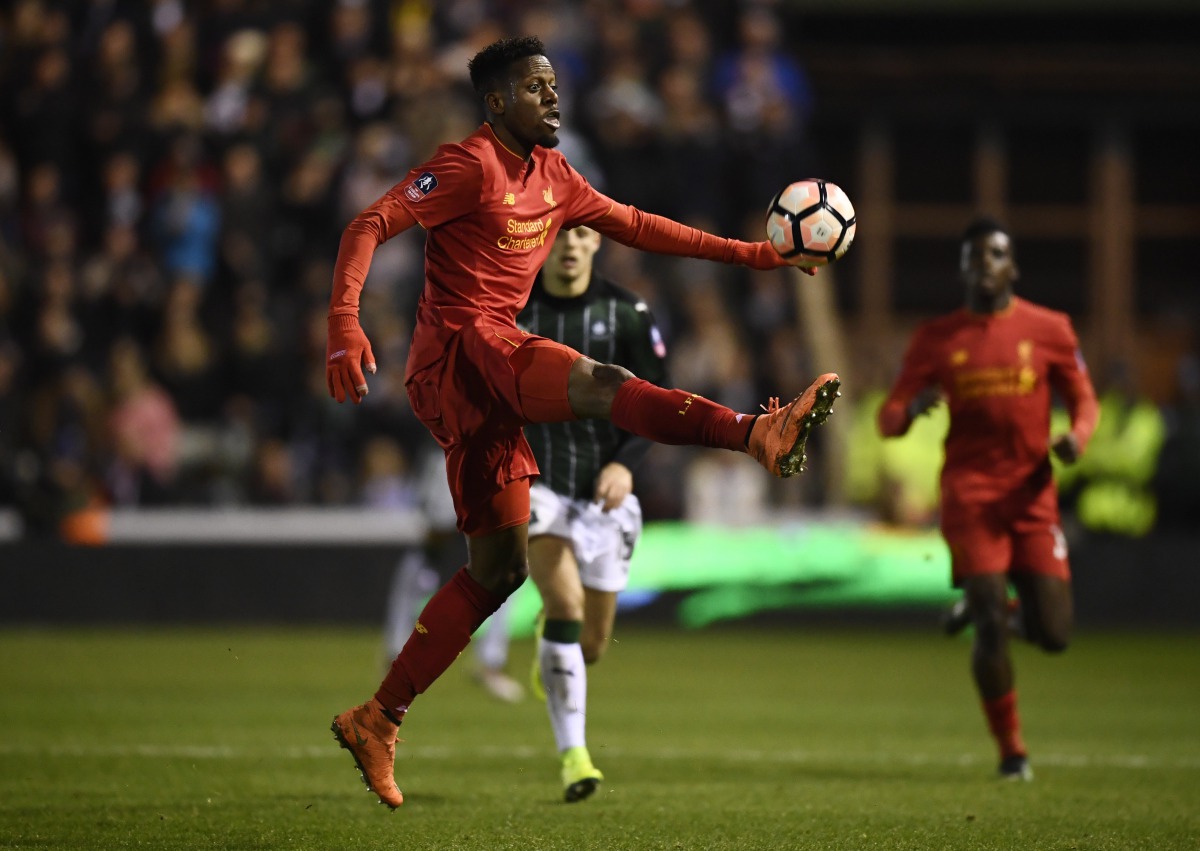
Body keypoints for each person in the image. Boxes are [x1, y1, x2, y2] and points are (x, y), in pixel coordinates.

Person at [325, 35, 840, 810]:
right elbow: (366, 224)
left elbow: (642, 225)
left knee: (498, 571)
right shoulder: (466, 165)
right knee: (604, 382)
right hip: (459, 354)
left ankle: (377, 717)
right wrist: (344, 321)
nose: (553, 97)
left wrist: (754, 256)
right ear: (496, 101)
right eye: (535, 86)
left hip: (489, 380)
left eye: (554, 84)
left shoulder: (557, 177)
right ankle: (753, 432)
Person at [877, 217, 1099, 781]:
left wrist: (1077, 439)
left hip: (1031, 495)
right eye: (974, 256)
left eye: (995, 255)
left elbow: (1084, 400)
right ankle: (1012, 752)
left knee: (1055, 636)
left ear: (1012, 267)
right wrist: (910, 410)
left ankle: (989, 608)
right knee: (991, 627)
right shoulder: (936, 338)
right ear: (961, 269)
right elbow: (887, 417)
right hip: (970, 495)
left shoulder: (1049, 329)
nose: (984, 265)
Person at [517, 224, 667, 802]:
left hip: (604, 494)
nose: (571, 245)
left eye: (581, 234)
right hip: (536, 482)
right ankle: (575, 759)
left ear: (597, 243)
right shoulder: (515, 307)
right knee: (566, 605)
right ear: (543, 240)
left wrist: (625, 465)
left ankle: (552, 642)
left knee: (592, 645)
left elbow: (660, 401)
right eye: (560, 235)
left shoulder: (627, 312)